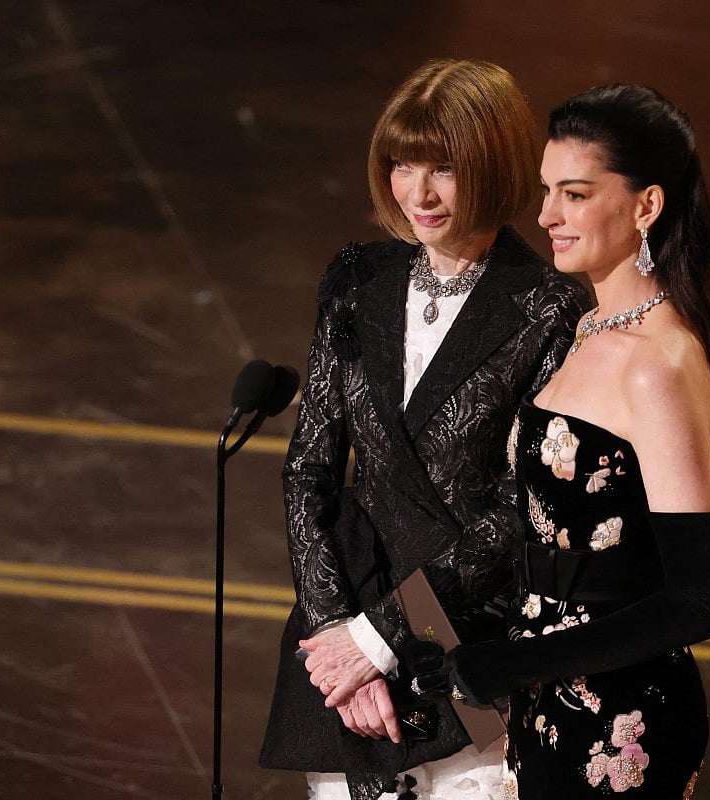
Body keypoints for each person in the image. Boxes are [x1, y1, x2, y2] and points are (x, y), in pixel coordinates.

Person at [260, 59, 590, 800]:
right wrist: (333, 647)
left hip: (468, 643)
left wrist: (378, 642)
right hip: (347, 629)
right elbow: (309, 466)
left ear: (493, 164)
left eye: (442, 166)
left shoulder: (546, 308)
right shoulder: (357, 280)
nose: (418, 191)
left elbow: (519, 514)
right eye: (402, 164)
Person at [442, 85, 710, 798]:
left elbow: (698, 600)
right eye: (548, 191)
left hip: (619, 719)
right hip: (549, 696)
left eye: (574, 194)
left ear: (646, 205)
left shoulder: (656, 368)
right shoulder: (590, 329)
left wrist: (511, 667)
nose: (546, 215)